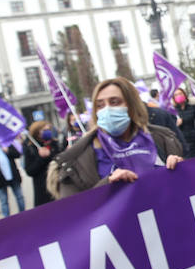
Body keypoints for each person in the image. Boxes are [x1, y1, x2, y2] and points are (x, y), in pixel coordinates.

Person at [49, 78, 183, 198]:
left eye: (115, 102)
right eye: (100, 105)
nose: (107, 109)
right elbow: (73, 213)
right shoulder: (75, 160)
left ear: (132, 106)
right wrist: (108, 185)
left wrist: (181, 169)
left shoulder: (162, 139)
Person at [22, 121, 63, 208]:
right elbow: (30, 171)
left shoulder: (55, 143)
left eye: (48, 129)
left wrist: (51, 154)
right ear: (36, 132)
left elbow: (60, 160)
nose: (47, 132)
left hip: (58, 184)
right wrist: (41, 158)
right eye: (44, 130)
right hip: (42, 189)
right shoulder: (31, 148)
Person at [171, 89, 195, 158]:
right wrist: (177, 125)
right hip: (182, 143)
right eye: (176, 95)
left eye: (180, 93)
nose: (179, 96)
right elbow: (170, 129)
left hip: (194, 141)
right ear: (173, 98)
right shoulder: (173, 112)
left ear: (184, 95)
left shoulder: (192, 107)